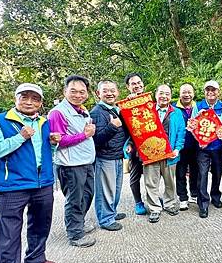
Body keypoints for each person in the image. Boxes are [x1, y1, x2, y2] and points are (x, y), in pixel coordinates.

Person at [0, 83, 59, 263]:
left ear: (40, 103)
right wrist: (20, 137)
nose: (29, 102)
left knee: (41, 224)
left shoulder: (44, 122)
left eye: (35, 99)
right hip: (12, 185)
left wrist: (53, 144)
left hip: (42, 182)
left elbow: (44, 152)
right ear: (15, 99)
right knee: (9, 235)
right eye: (24, 97)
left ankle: (35, 259)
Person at [48, 75, 97, 248]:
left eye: (82, 91)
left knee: (87, 194)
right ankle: (75, 234)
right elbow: (58, 140)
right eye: (73, 91)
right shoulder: (58, 113)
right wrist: (85, 135)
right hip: (70, 164)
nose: (78, 95)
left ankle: (80, 223)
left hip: (85, 161)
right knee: (74, 199)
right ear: (65, 91)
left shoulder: (82, 109)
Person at [187, 80, 222, 218]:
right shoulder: (198, 106)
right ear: (204, 92)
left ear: (218, 92)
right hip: (202, 147)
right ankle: (203, 203)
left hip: (217, 146)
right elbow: (192, 125)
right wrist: (199, 137)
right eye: (208, 90)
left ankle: (215, 196)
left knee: (217, 172)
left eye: (213, 90)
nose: (210, 92)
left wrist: (208, 115)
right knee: (202, 174)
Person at [144, 85, 186, 223]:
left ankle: (170, 204)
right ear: (156, 94)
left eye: (167, 94)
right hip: (151, 153)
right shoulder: (147, 110)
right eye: (161, 93)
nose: (164, 96)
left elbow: (181, 133)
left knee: (170, 182)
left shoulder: (177, 112)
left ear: (171, 96)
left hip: (170, 154)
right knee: (151, 182)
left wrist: (177, 149)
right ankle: (154, 208)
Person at [90, 80, 127, 231]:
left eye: (112, 90)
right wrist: (112, 126)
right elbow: (96, 140)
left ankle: (112, 212)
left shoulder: (116, 109)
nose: (110, 93)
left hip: (117, 155)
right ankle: (105, 219)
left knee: (116, 189)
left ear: (117, 92)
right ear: (98, 94)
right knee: (106, 190)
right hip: (105, 157)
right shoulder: (97, 112)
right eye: (105, 91)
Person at [123, 72, 148, 215]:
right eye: (133, 84)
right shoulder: (125, 105)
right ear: (128, 87)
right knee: (135, 174)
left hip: (151, 143)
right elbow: (124, 127)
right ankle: (138, 202)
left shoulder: (150, 100)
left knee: (153, 174)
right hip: (134, 145)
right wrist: (128, 143)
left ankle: (153, 198)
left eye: (139, 83)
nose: (137, 86)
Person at [175, 83, 199, 211]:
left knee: (195, 171)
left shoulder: (199, 107)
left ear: (193, 93)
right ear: (179, 94)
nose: (187, 95)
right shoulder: (174, 108)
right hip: (180, 146)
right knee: (180, 173)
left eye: (189, 92)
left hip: (196, 146)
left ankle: (194, 194)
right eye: (184, 92)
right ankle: (183, 198)